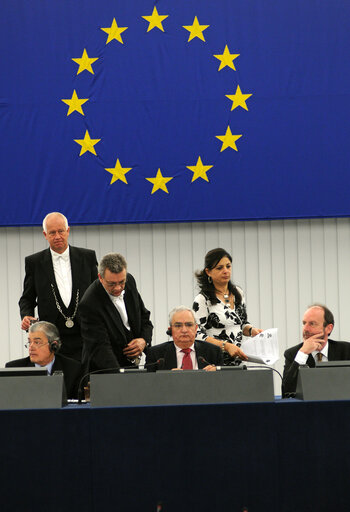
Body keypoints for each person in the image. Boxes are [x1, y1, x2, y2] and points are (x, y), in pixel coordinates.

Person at [18, 212, 98, 361]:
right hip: (52, 338)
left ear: (68, 231)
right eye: (52, 232)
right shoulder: (34, 262)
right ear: (45, 234)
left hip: (85, 333)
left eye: (61, 231)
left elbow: (99, 294)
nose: (57, 236)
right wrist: (26, 315)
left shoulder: (87, 257)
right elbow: (27, 299)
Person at [79, 253, 153, 372]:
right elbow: (100, 348)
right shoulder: (89, 303)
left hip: (130, 367)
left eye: (121, 282)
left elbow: (144, 317)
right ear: (100, 277)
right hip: (104, 371)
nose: (118, 288)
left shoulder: (130, 282)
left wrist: (144, 340)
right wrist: (119, 377)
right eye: (112, 284)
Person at [193, 248, 262, 365]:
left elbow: (242, 323)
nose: (225, 271)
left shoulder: (238, 293)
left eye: (228, 266)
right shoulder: (202, 299)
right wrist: (225, 346)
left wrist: (252, 331)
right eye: (220, 268)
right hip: (214, 362)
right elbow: (196, 334)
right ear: (208, 272)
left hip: (240, 360)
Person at [282, 304, 350, 396]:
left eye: (312, 324)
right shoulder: (293, 354)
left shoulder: (346, 350)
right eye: (304, 323)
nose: (305, 329)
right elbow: (286, 391)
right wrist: (303, 353)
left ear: (328, 328)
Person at [6, 321, 81, 399]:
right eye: (29, 342)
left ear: (53, 345)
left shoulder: (73, 369)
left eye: (37, 342)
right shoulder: (14, 369)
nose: (31, 347)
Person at [146, 306, 223, 370]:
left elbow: (222, 382)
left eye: (189, 325)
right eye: (178, 326)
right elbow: (148, 383)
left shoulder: (214, 352)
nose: (184, 330)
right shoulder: (155, 355)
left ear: (196, 328)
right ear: (171, 329)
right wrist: (168, 378)